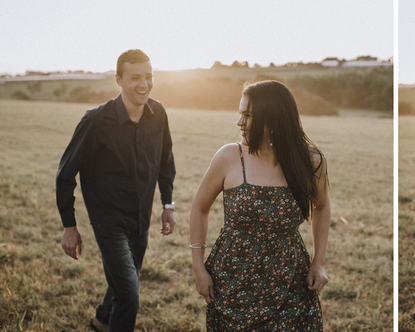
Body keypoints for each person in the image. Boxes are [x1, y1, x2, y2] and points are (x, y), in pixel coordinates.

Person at [188, 80, 329, 330]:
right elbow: (200, 208)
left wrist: (318, 261)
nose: (239, 122)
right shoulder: (229, 157)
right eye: (240, 113)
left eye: (248, 115)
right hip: (233, 284)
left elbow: (322, 206)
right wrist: (199, 268)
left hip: (290, 283)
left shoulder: (311, 161)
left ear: (273, 118)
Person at [56, 49, 176, 332]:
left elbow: (165, 160)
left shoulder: (158, 113)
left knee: (126, 280)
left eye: (148, 76)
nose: (144, 84)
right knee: (129, 296)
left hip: (141, 219)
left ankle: (101, 320)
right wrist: (69, 225)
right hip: (108, 221)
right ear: (118, 80)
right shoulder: (96, 121)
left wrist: (167, 205)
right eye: (135, 78)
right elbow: (65, 173)